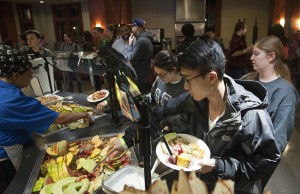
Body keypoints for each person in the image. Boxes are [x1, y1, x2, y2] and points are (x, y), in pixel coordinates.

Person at [154, 38, 280, 193]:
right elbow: (163, 112)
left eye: (188, 80)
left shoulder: (251, 115)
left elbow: (265, 164)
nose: (185, 87)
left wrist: (218, 165)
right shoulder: (196, 100)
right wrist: (130, 138)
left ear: (211, 77)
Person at [0, 45, 94, 193]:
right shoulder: (12, 99)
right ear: (15, 75)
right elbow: (59, 118)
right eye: (29, 75)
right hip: (5, 158)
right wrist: (83, 114)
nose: (32, 78)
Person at [241, 35, 300, 153]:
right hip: (236, 149)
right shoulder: (248, 79)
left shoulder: (285, 92)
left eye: (256, 54)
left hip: (255, 158)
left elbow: (278, 139)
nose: (252, 57)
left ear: (271, 56)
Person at [128, 18, 154, 94]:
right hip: (144, 75)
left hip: (140, 78)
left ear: (137, 27)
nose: (132, 29)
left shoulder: (141, 41)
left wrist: (130, 44)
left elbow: (131, 60)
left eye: (133, 27)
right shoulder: (146, 39)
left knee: (140, 100)